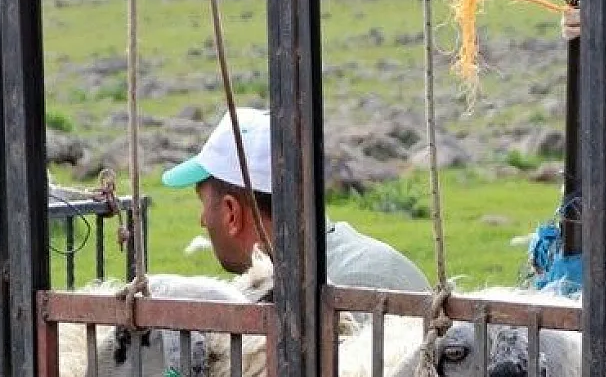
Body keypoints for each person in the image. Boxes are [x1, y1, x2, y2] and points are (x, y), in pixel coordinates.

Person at [162, 106, 432, 293]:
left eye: (203, 203)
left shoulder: (349, 287)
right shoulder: (331, 268)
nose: (202, 220)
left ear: (232, 213)